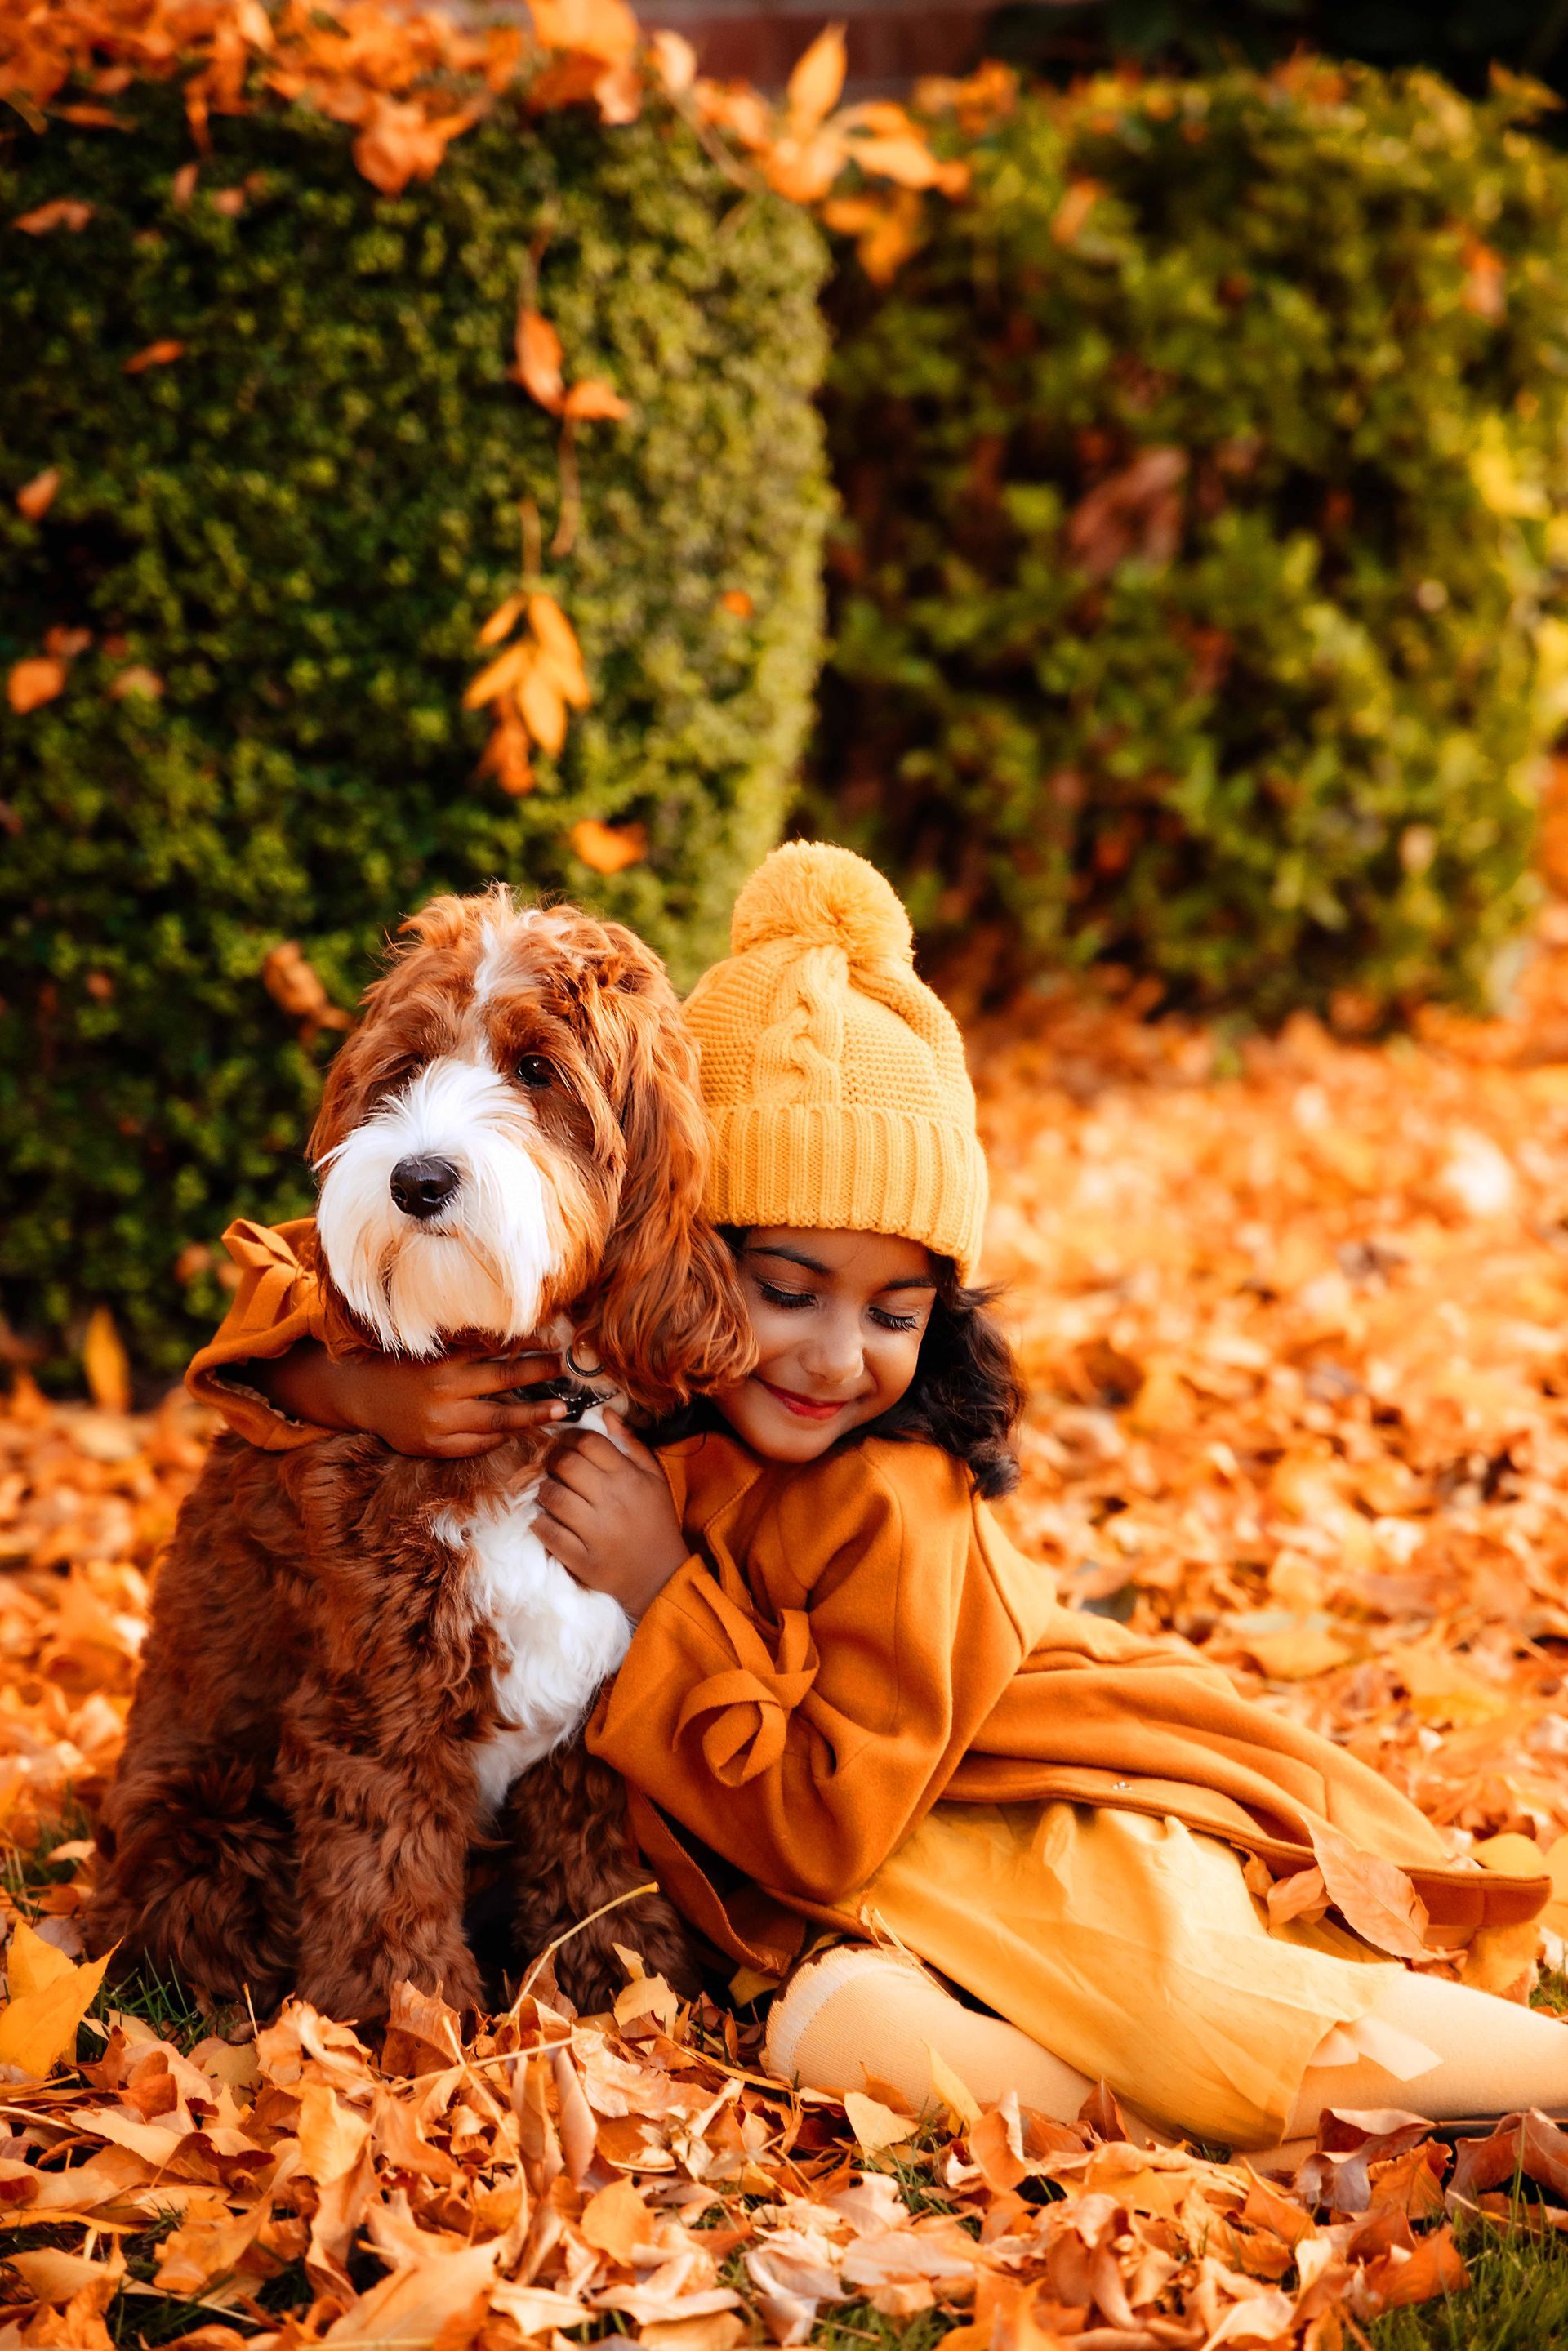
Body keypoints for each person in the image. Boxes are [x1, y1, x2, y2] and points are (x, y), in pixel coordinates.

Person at [188, 844, 1566, 2150]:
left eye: (892, 1310)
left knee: (1181, 2003)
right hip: (826, 1910)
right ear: (701, 1255)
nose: (830, 1353)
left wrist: (664, 1588)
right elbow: (283, 1286)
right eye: (779, 1291)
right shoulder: (651, 1390)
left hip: (999, 1818)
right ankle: (1236, 2143)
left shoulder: (883, 1493)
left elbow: (825, 1813)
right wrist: (357, 1394)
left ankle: (1494, 2089)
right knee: (844, 2032)